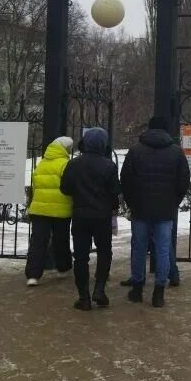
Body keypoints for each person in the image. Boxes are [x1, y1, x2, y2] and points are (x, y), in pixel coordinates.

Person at [120, 116, 191, 308]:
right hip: (165, 209)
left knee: (139, 248)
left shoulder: (135, 150)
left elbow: (125, 179)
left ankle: (137, 288)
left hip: (140, 208)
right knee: (162, 249)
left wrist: (132, 202)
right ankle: (159, 292)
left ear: (148, 129)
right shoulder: (176, 152)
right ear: (167, 131)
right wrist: (173, 201)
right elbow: (184, 180)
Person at [60, 127, 119, 311]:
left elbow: (65, 189)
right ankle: (99, 290)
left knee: (81, 257)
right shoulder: (109, 165)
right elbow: (115, 191)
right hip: (102, 216)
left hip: (80, 215)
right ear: (103, 143)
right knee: (104, 252)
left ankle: (83, 297)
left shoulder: (74, 164)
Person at [25, 136, 74, 286]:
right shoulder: (66, 164)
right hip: (61, 209)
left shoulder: (42, 163)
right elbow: (69, 187)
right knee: (61, 240)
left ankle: (33, 275)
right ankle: (63, 268)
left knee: (38, 241)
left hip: (39, 209)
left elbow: (35, 186)